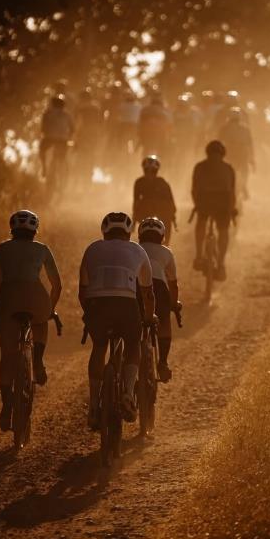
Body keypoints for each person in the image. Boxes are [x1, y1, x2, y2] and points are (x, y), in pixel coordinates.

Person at [79, 211, 155, 429]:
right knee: (133, 344)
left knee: (99, 346)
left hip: (97, 306)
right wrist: (148, 318)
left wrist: (89, 314)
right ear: (129, 232)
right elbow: (148, 293)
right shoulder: (138, 250)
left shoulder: (92, 249)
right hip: (126, 305)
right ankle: (129, 393)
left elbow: (82, 291)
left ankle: (94, 406)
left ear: (104, 231)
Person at [0, 210, 62, 432]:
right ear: (34, 230)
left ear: (12, 229)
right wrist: (51, 308)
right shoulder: (42, 249)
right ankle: (38, 361)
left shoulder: (3, 248)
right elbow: (56, 284)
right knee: (41, 322)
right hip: (36, 297)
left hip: (8, 300)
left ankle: (7, 405)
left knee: (7, 357)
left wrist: (0, 307)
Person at [137, 217, 181, 382]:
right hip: (159, 289)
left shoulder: (136, 248)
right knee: (164, 322)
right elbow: (173, 284)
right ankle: (162, 362)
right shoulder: (167, 252)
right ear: (162, 235)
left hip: (137, 287)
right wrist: (173, 304)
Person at [191, 140, 237, 280]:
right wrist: (232, 209)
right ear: (223, 154)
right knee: (223, 231)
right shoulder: (229, 168)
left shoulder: (199, 166)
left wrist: (197, 205)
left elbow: (194, 190)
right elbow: (232, 192)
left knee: (201, 223)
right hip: (223, 203)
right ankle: (221, 263)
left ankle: (199, 256)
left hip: (205, 201)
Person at [132, 155, 177, 244]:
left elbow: (170, 201)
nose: (150, 174)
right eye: (147, 171)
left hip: (159, 212)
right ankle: (164, 245)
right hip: (145, 212)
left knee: (167, 220)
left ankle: (166, 244)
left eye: (152, 171)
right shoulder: (140, 182)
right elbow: (136, 201)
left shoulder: (161, 182)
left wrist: (172, 214)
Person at [218, 107, 255, 200]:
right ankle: (240, 187)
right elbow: (219, 142)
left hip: (239, 152)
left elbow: (250, 144)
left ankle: (243, 187)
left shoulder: (244, 129)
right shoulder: (225, 128)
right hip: (232, 152)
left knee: (243, 171)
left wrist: (252, 159)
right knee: (236, 171)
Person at [39, 95, 75, 180]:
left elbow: (43, 128)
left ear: (52, 104)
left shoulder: (47, 113)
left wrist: (46, 133)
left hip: (49, 138)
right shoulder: (67, 115)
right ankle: (63, 173)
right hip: (63, 140)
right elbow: (72, 129)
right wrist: (68, 137)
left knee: (41, 150)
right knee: (63, 157)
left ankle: (44, 167)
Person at [138, 93, 173, 158]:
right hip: (158, 133)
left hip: (148, 133)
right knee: (160, 149)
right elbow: (170, 124)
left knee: (146, 148)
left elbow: (140, 122)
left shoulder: (145, 109)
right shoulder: (166, 110)